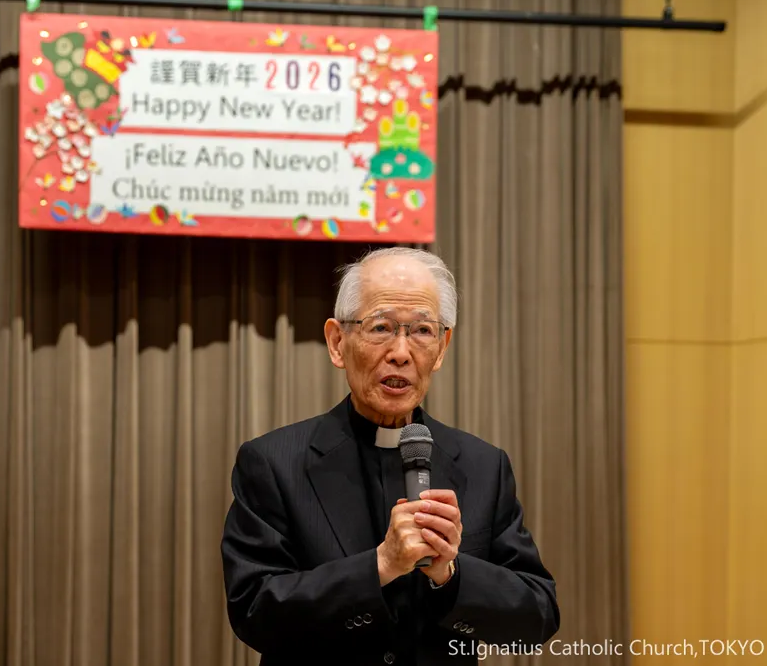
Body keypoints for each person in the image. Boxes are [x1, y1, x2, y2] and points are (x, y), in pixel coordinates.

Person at [221, 247, 559, 666]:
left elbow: (536, 619)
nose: (401, 351)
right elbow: (254, 613)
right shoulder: (273, 463)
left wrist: (449, 575)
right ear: (337, 342)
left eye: (421, 331)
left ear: (442, 348)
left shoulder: (483, 465)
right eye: (380, 327)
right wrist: (381, 565)